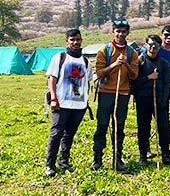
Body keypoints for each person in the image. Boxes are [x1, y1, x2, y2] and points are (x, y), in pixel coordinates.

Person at [44, 29, 93, 176]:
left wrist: (85, 99)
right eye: (72, 40)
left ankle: (63, 161)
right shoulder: (60, 58)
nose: (75, 42)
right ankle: (50, 164)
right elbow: (51, 79)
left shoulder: (85, 61)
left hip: (79, 106)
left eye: (78, 39)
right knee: (56, 133)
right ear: (67, 41)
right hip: (61, 104)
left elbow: (87, 82)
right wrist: (53, 98)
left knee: (69, 134)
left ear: (81, 40)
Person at [92, 20, 139, 171]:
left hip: (123, 93)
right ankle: (97, 159)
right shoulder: (104, 50)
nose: (120, 34)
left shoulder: (132, 53)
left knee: (119, 127)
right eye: (118, 31)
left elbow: (135, 75)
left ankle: (117, 159)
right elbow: (99, 72)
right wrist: (114, 65)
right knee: (102, 126)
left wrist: (125, 64)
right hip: (106, 93)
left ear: (127, 33)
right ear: (113, 32)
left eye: (123, 31)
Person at [132, 35, 170, 165]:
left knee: (164, 127)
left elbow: (167, 83)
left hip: (160, 99)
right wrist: (149, 77)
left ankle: (165, 154)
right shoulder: (139, 62)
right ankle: (143, 155)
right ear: (146, 45)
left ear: (159, 47)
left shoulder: (164, 64)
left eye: (156, 45)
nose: (153, 48)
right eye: (150, 44)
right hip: (143, 99)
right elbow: (134, 83)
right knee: (143, 127)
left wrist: (163, 99)